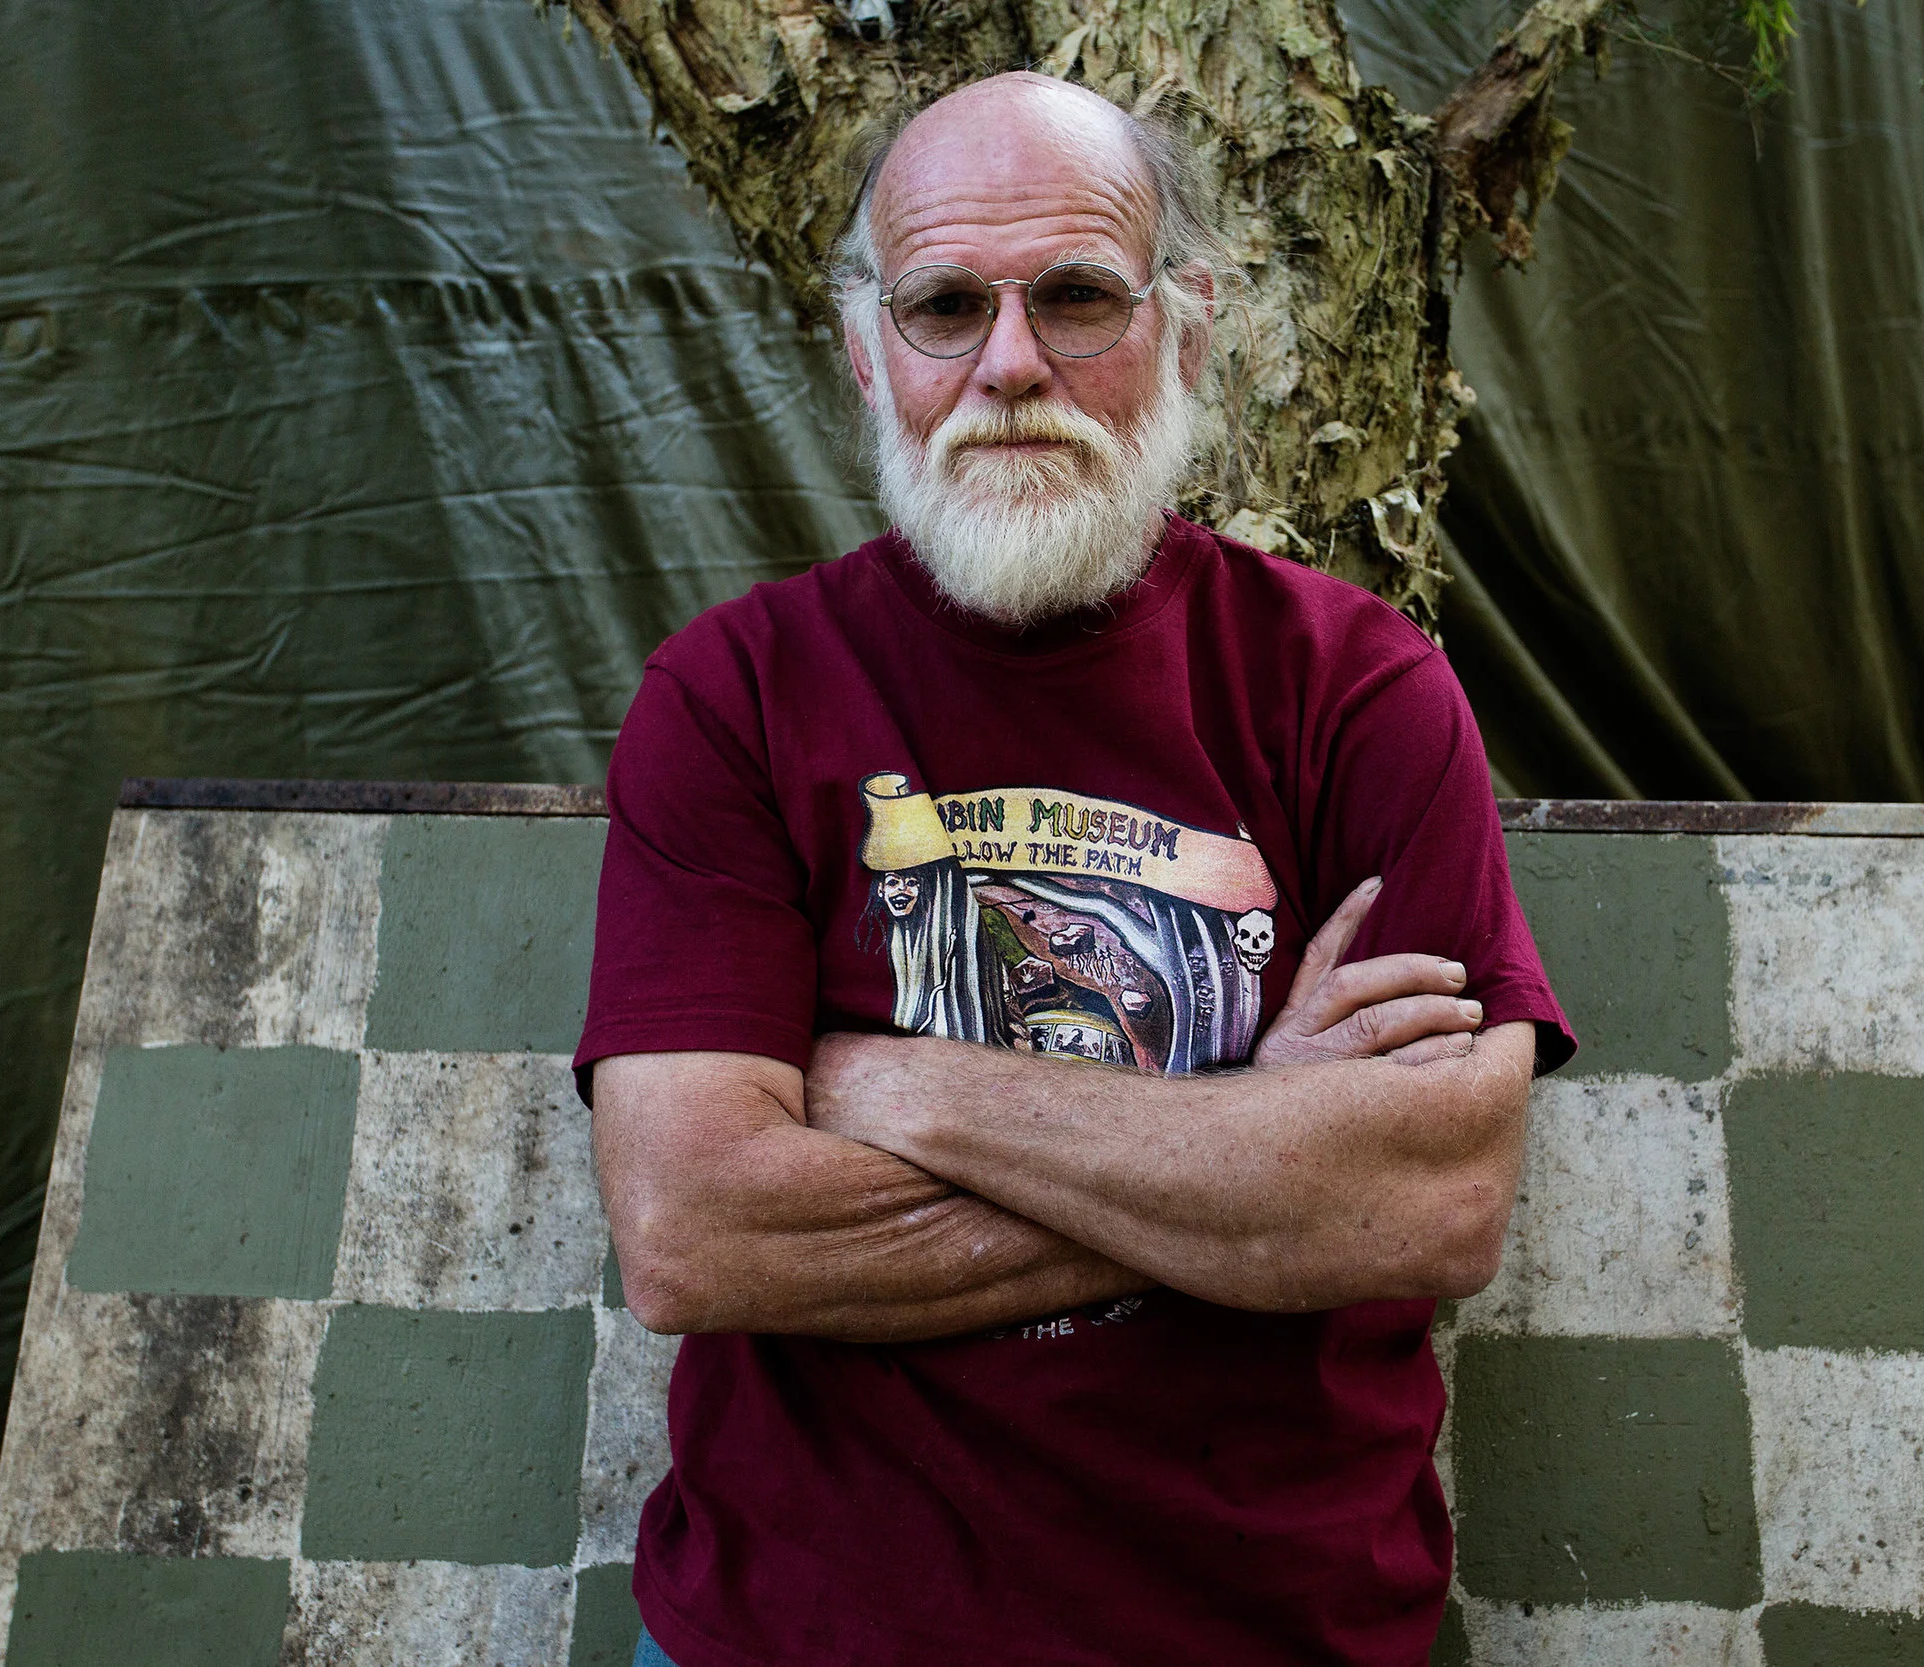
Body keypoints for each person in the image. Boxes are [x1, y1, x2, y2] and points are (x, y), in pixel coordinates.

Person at [576, 69, 1574, 1667]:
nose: (1011, 364)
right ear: (866, 353)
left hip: (1271, 1635)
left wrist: (907, 1090)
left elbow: (1432, 1198)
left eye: (1078, 298)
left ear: (1183, 330)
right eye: (946, 306)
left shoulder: (1357, 686)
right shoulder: (733, 697)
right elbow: (696, 1229)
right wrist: (1261, 1157)